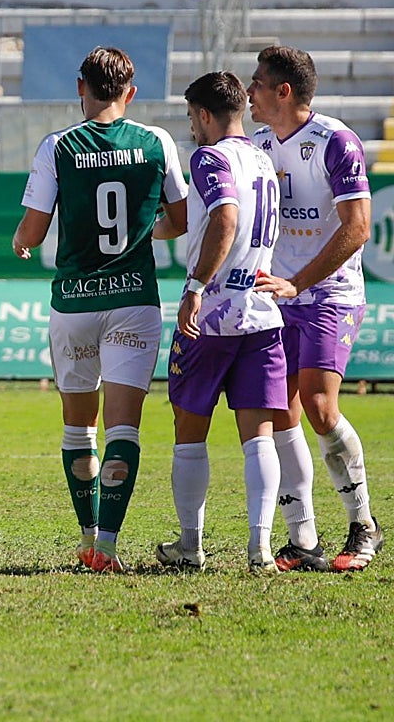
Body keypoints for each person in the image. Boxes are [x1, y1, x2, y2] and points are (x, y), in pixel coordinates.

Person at [12, 46, 188, 572]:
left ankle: (87, 535)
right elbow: (179, 220)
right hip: (134, 299)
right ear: (130, 93)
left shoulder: (57, 146)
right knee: (124, 430)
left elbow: (33, 230)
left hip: (75, 304)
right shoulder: (156, 142)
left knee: (77, 427)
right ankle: (108, 546)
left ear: (80, 88)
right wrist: (145, 231)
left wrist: (19, 240)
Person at [250, 45, 382, 571]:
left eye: (258, 82)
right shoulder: (257, 144)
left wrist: (298, 281)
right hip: (278, 296)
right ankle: (303, 541)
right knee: (279, 413)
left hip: (330, 294)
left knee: (321, 408)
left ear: (284, 91)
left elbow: (358, 228)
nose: (250, 91)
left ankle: (364, 524)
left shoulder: (336, 142)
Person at [156, 71, 285, 573]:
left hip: (211, 317)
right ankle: (261, 548)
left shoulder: (210, 158)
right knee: (258, 436)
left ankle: (191, 545)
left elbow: (225, 217)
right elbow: (197, 218)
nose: (191, 127)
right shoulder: (261, 158)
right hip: (260, 313)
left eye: (192, 117)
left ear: (206, 114)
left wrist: (194, 288)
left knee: (190, 426)